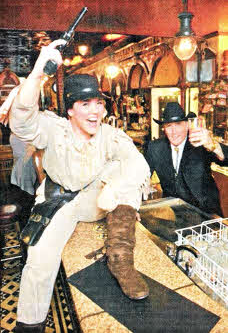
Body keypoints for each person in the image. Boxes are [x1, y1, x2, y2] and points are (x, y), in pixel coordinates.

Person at [8, 39, 151, 333]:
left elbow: (139, 165)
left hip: (94, 200)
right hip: (58, 201)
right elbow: (21, 123)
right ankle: (29, 326)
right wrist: (36, 75)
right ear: (70, 110)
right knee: (39, 262)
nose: (95, 111)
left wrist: (115, 185)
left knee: (124, 167)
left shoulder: (109, 134)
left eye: (98, 103)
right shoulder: (53, 128)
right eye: (85, 104)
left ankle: (121, 262)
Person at [145, 102, 228, 216]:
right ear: (164, 128)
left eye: (178, 124)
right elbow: (141, 175)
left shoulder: (200, 144)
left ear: (187, 125)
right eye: (169, 126)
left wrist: (213, 145)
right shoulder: (155, 148)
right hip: (174, 213)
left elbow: (225, 159)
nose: (174, 132)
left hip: (206, 212)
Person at [9, 133, 37, 226]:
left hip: (19, 174)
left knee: (25, 208)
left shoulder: (16, 132)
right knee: (27, 209)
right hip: (24, 173)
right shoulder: (24, 134)